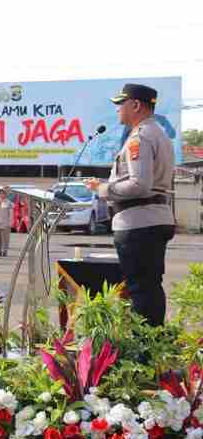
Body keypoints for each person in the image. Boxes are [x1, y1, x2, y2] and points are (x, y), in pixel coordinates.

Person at [85, 83, 175, 326]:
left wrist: (104, 189)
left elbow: (140, 185)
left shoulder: (140, 137)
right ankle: (153, 347)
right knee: (149, 288)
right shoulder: (159, 133)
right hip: (154, 218)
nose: (117, 110)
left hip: (139, 223)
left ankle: (144, 353)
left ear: (135, 105)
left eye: (120, 104)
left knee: (141, 291)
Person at [0, 187, 12, 257]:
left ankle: (4, 251)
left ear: (5, 194)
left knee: (4, 238)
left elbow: (11, 214)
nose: (1, 194)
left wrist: (10, 222)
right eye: (0, 193)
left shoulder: (9, 203)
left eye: (3, 193)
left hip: (5, 223)